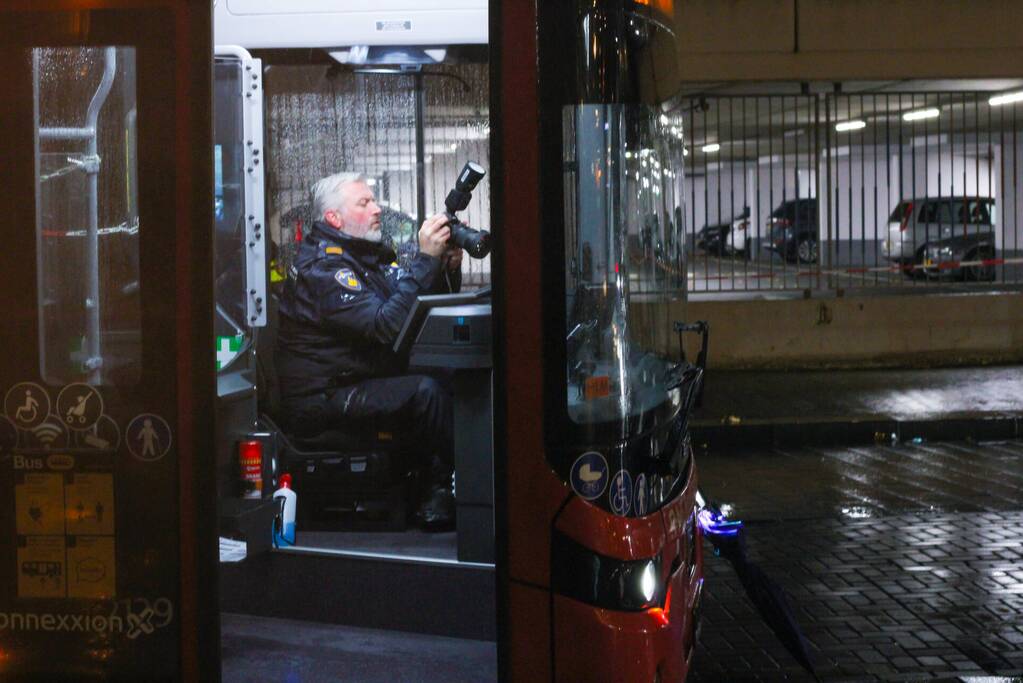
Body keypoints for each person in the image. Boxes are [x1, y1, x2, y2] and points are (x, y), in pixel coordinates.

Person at [275, 172, 463, 530]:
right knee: (424, 392)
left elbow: (408, 305)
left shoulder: (364, 255)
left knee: (451, 373)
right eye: (365, 203)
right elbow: (385, 326)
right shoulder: (325, 269)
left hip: (354, 376)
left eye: (374, 201)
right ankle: (449, 486)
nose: (377, 209)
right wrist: (424, 260)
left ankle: (451, 485)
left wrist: (440, 267)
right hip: (323, 397)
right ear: (334, 218)